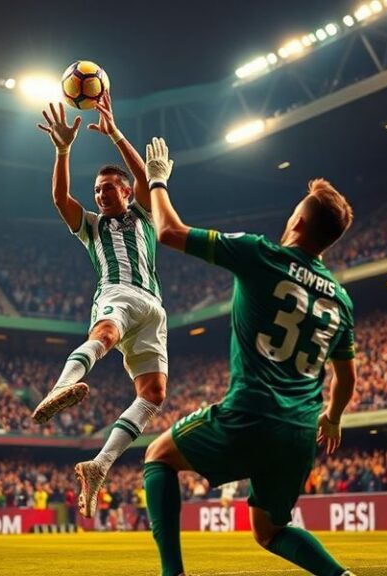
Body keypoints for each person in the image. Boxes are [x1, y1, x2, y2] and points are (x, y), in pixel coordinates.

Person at [142, 137, 358, 576]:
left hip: (253, 414)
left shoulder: (261, 253)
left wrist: (157, 180)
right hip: (300, 432)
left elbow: (168, 232)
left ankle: (172, 574)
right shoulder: (340, 298)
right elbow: (346, 376)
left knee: (158, 456)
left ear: (297, 220)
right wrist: (332, 417)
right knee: (270, 530)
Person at [33, 93, 168, 518]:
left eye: (108, 189)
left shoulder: (144, 215)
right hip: (117, 294)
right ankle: (60, 387)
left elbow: (148, 180)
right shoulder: (92, 227)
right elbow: (60, 199)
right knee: (105, 335)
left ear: (125, 192)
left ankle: (99, 464)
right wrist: (62, 150)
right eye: (96, 191)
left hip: (154, 308)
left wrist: (115, 133)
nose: (101, 195)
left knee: (153, 394)